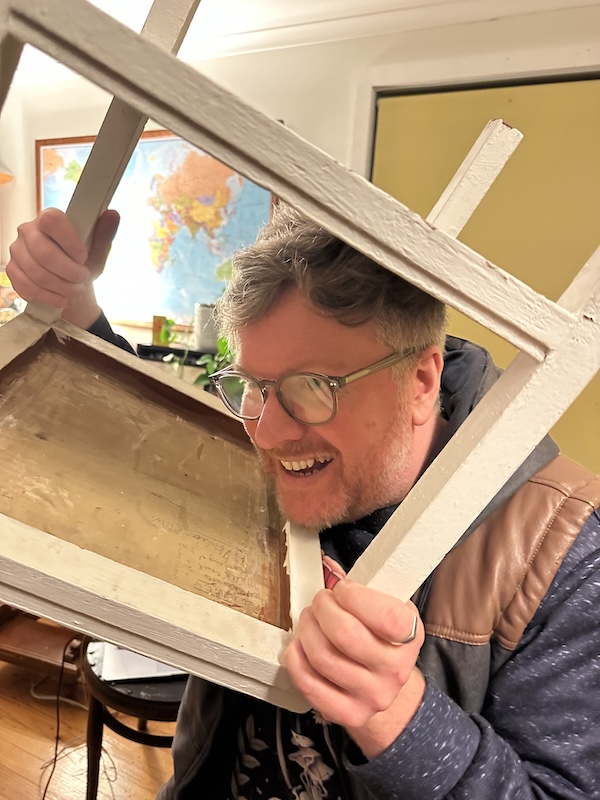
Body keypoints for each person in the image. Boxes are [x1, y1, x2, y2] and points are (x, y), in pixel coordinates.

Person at [7, 205, 600, 799]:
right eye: (254, 387)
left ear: (422, 381)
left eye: (312, 387)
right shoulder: (290, 444)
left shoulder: (567, 554)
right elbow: (161, 447)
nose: (267, 433)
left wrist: (399, 717)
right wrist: (77, 305)